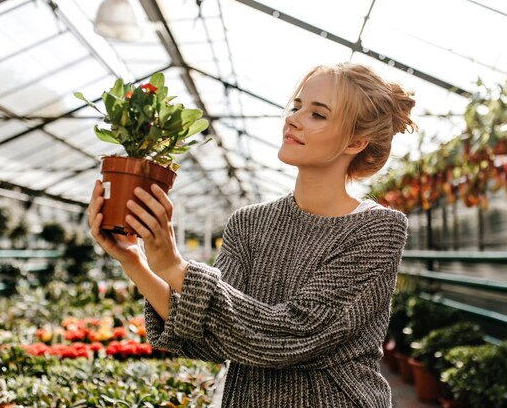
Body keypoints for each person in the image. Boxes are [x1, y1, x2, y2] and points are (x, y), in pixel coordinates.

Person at [88, 62, 417, 408]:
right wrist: (135, 260)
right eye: (296, 106)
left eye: (317, 115)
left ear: (355, 142)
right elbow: (212, 338)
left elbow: (296, 334)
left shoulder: (377, 229)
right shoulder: (249, 223)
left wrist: (175, 268)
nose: (293, 119)